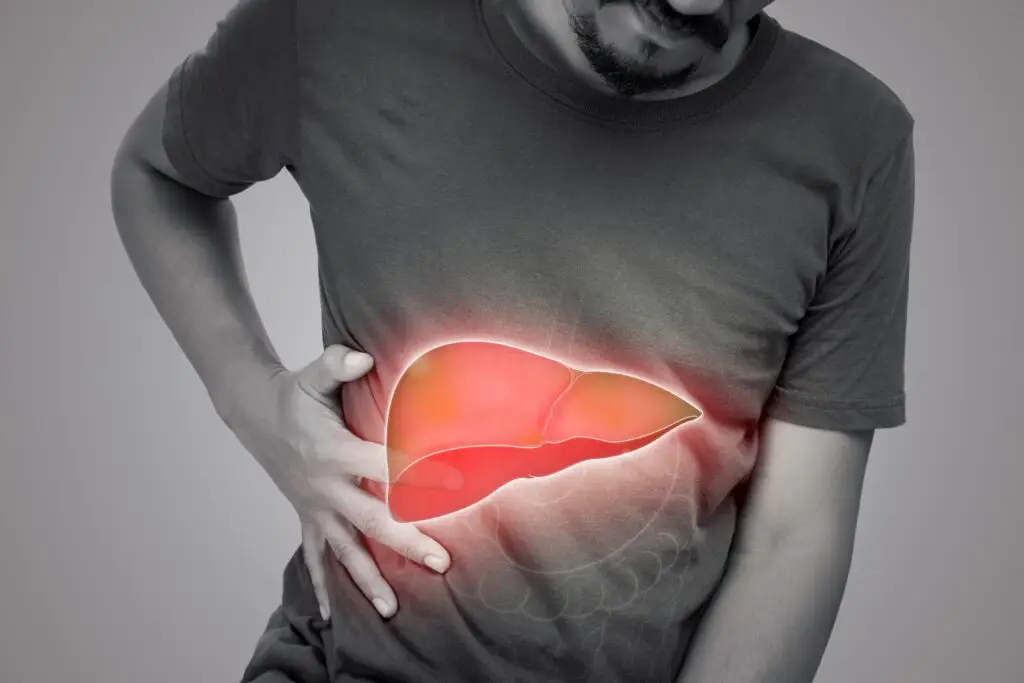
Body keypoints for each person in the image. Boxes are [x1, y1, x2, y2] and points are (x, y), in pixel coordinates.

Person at [110, 0, 915, 681]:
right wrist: (256, 406)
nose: (702, 5)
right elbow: (157, 172)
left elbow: (795, 534)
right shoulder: (341, 20)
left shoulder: (853, 141)